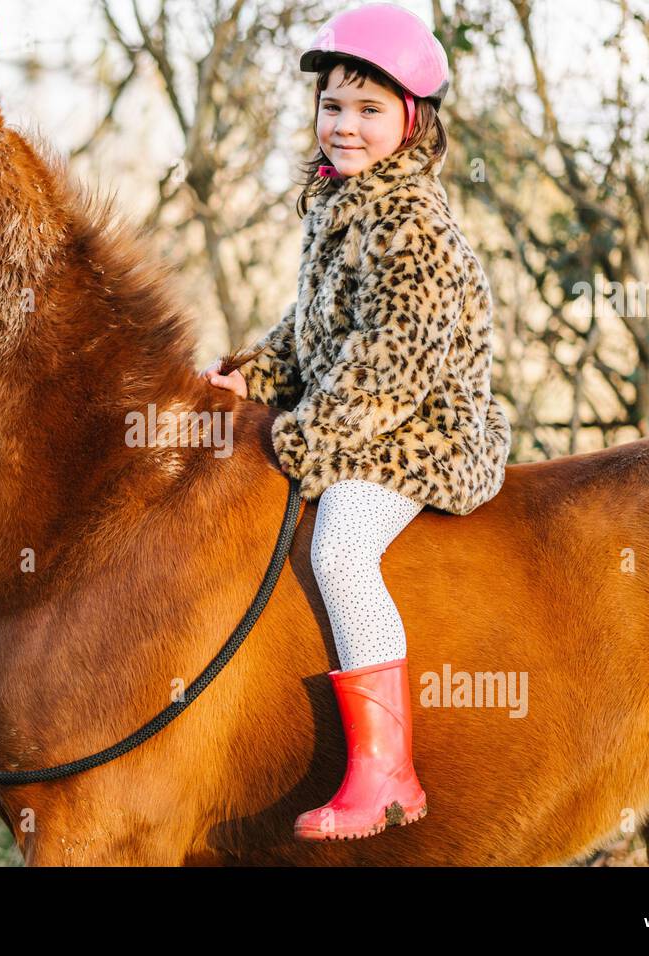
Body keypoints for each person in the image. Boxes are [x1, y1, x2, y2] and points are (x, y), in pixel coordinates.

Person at [201, 2, 511, 841]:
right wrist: (246, 377)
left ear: (413, 123)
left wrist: (293, 440)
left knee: (339, 544)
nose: (345, 126)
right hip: (361, 416)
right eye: (334, 106)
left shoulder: (413, 223)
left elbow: (389, 367)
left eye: (370, 111)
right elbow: (311, 334)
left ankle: (387, 774)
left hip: (424, 432)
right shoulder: (341, 206)